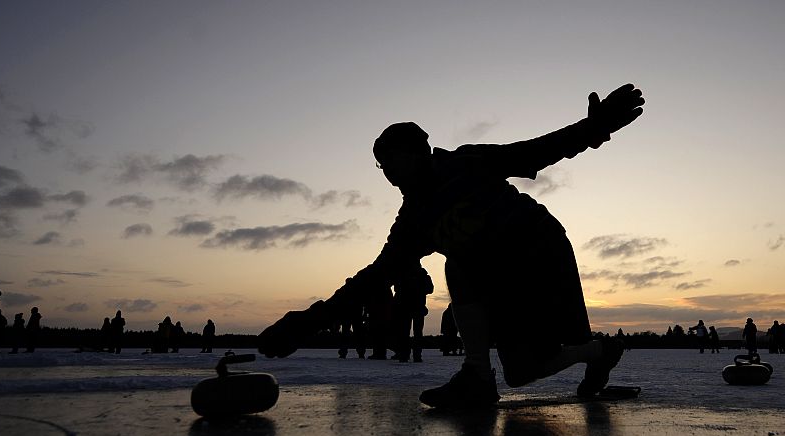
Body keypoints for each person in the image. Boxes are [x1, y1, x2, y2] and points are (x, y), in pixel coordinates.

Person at [257, 83, 645, 408]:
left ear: (419, 151)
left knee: (524, 333)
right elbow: (374, 279)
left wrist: (595, 128)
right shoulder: (413, 221)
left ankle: (596, 351)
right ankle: (482, 374)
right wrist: (304, 324)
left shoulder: (468, 163)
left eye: (391, 161)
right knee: (521, 370)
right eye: (381, 166)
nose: (387, 173)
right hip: (497, 280)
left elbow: (534, 151)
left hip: (540, 256)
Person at [392, 264, 434, 362]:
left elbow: (397, 290)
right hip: (414, 308)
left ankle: (406, 355)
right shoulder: (422, 276)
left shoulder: (404, 275)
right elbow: (430, 289)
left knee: (407, 332)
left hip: (409, 308)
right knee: (414, 333)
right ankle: (413, 355)